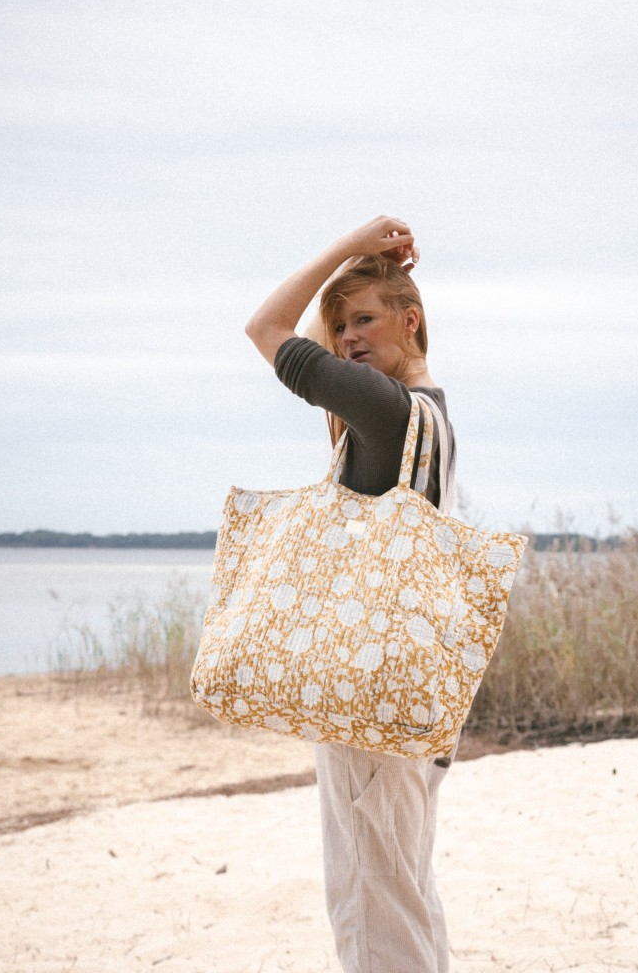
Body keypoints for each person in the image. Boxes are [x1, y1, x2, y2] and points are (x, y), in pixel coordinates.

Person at [245, 215, 457, 973]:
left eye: (363, 320)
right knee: (404, 892)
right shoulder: (434, 417)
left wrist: (343, 248)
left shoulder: (383, 407)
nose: (347, 340)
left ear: (412, 320)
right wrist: (356, 278)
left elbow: (265, 327)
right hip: (416, 694)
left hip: (367, 695)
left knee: (370, 906)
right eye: (339, 328)